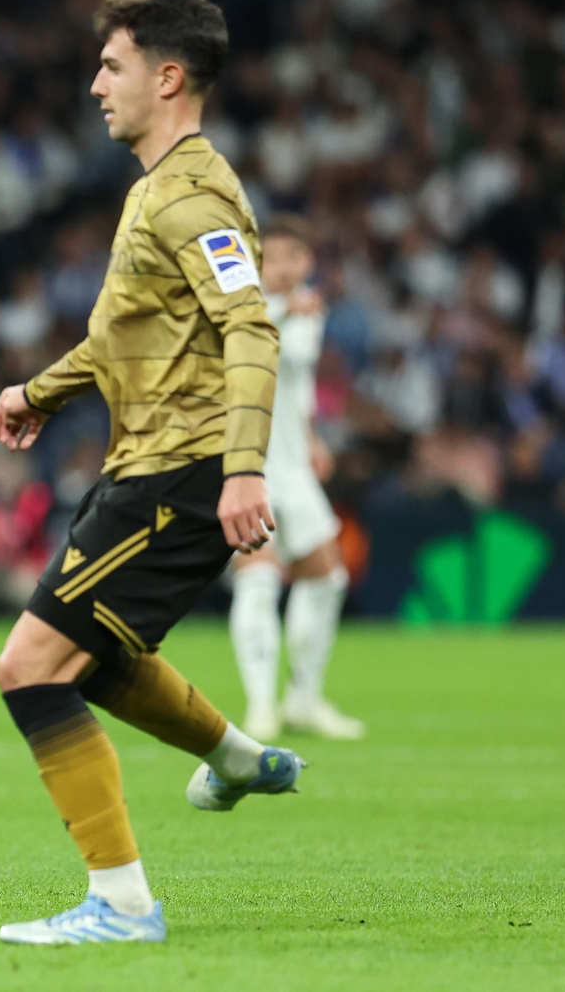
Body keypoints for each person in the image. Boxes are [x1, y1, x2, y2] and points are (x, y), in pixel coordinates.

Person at [0, 0, 306, 946]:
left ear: (167, 77)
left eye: (112, 66)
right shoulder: (159, 190)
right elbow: (127, 338)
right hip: (150, 469)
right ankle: (240, 759)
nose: (95, 86)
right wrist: (40, 392)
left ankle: (121, 904)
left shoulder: (195, 195)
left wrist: (244, 470)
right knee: (101, 661)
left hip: (183, 475)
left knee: (30, 668)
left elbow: (252, 327)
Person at [227, 215, 363, 741]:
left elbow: (294, 379)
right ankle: (261, 706)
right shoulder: (240, 302)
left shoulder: (309, 309)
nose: (281, 267)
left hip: (291, 463)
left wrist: (310, 436)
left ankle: (303, 699)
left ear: (307, 261)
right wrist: (284, 307)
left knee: (328, 579)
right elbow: (239, 342)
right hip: (244, 464)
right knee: (258, 578)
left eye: (292, 256)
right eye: (270, 256)